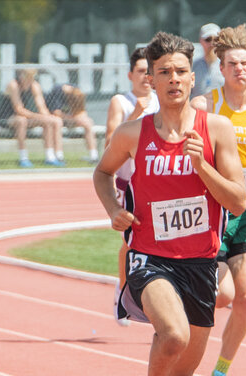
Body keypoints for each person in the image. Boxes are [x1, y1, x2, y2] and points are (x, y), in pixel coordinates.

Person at [95, 31, 245, 376]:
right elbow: (102, 173)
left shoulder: (216, 130)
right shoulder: (134, 134)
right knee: (173, 336)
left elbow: (239, 202)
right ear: (152, 80)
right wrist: (114, 208)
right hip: (149, 257)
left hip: (201, 264)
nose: (174, 78)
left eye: (181, 70)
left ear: (191, 75)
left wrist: (203, 167)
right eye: (164, 72)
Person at [191, 24, 246, 376]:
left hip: (245, 213)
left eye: (245, 63)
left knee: (245, 297)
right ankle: (178, 327)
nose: (239, 69)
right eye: (232, 64)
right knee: (222, 296)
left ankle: (220, 371)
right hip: (210, 211)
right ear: (221, 69)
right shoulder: (206, 105)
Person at [104, 46, 159, 323]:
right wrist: (136, 113)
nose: (145, 77)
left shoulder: (162, 101)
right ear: (130, 74)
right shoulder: (122, 101)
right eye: (140, 72)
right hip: (129, 184)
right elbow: (110, 143)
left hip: (158, 183)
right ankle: (123, 290)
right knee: (130, 240)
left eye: (148, 72)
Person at [0, 68, 65, 168]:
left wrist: (47, 117)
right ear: (21, 76)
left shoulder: (34, 85)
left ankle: (51, 157)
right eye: (27, 77)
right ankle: (23, 157)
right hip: (8, 118)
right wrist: (39, 117)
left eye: (32, 77)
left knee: (52, 121)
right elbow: (19, 109)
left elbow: (41, 106)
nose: (30, 80)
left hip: (26, 117)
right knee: (21, 121)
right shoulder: (14, 85)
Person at [45, 83, 98, 162]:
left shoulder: (77, 91)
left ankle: (94, 156)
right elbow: (56, 112)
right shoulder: (57, 91)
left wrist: (79, 118)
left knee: (88, 122)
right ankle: (59, 155)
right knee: (58, 122)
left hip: (72, 118)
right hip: (59, 118)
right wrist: (71, 118)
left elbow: (82, 112)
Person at [190, 23, 223, 97]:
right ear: (201, 41)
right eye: (208, 39)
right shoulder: (193, 67)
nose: (212, 44)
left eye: (215, 40)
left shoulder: (227, 66)